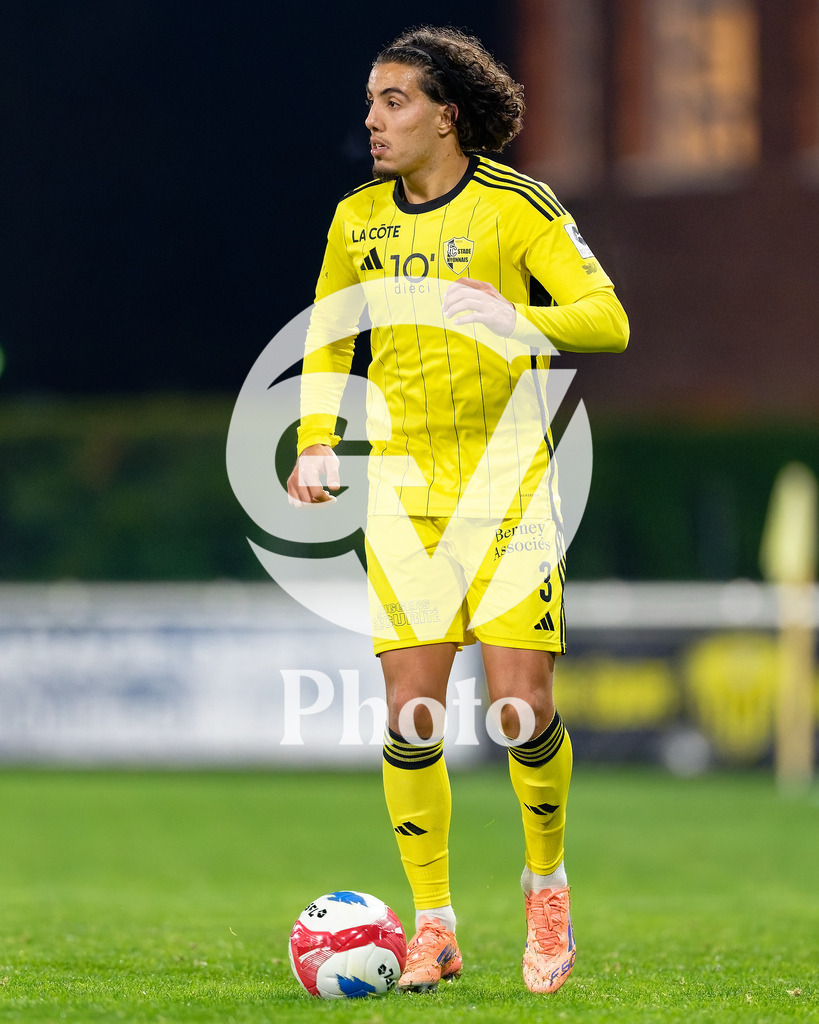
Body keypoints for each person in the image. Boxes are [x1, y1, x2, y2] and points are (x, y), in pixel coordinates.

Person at [287, 25, 628, 995]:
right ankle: (432, 924)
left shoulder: (518, 207)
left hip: (509, 485)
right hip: (400, 491)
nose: (373, 119)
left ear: (448, 114)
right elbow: (327, 339)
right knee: (412, 710)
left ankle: (546, 883)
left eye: (393, 100)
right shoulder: (356, 219)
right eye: (370, 101)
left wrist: (519, 317)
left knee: (523, 709)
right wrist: (317, 440)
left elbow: (607, 317)